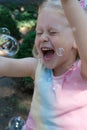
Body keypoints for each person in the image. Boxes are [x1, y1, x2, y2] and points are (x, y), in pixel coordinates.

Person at [0, 0, 87, 129]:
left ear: (76, 40)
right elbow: (5, 65)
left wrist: (68, 3)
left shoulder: (82, 73)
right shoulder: (38, 68)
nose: (43, 38)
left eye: (52, 32)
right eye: (39, 33)